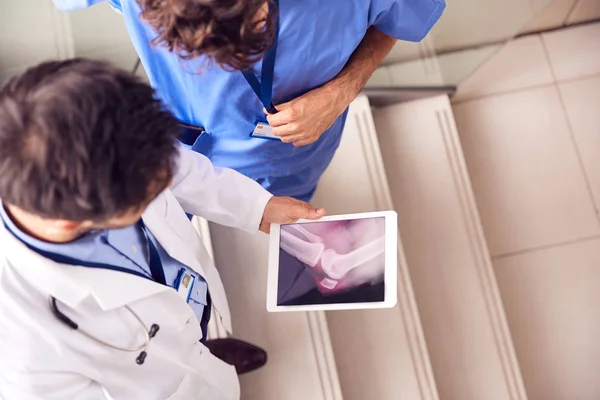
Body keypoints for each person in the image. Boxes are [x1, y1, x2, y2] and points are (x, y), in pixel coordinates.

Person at [0, 58, 325, 400]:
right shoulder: (25, 355)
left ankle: (204, 347)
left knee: (189, 335)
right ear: (71, 221)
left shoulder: (88, 132)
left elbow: (181, 169)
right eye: (152, 192)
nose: (171, 178)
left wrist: (257, 208)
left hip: (184, 300)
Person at [53, 0, 446, 201]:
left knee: (286, 206)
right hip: (160, 147)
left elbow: (395, 21)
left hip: (290, 152)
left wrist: (343, 89)